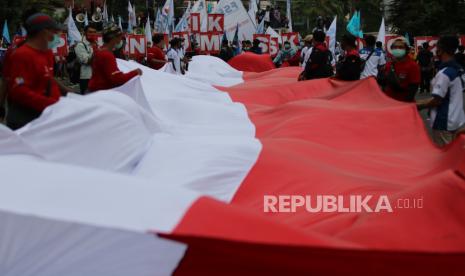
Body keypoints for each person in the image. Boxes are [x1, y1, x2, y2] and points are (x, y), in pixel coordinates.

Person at [6, 13, 68, 130]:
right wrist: (52, 105)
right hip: (26, 120)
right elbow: (19, 92)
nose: (57, 36)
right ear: (44, 32)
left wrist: (68, 95)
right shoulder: (22, 55)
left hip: (45, 116)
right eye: (54, 32)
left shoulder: (47, 53)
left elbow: (48, 80)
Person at [417, 36, 465, 147]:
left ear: (441, 49)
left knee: (446, 159)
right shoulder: (459, 69)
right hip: (457, 120)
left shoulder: (444, 73)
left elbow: (437, 100)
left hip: (444, 123)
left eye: (437, 47)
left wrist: (418, 105)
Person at [88, 25, 141, 92]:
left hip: (96, 90)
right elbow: (117, 79)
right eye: (120, 36)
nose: (121, 38)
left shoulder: (99, 50)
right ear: (114, 38)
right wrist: (135, 72)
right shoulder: (107, 55)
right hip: (101, 93)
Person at [382, 38, 420, 102]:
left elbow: (413, 88)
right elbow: (384, 84)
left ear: (406, 50)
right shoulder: (388, 65)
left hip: (404, 104)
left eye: (400, 47)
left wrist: (404, 105)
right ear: (391, 49)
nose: (397, 49)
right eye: (395, 47)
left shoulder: (413, 66)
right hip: (389, 103)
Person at [75, 25, 97, 94]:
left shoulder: (97, 43)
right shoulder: (80, 45)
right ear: (85, 33)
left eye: (94, 32)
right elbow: (86, 61)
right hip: (87, 77)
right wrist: (95, 51)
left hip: (97, 77)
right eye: (90, 32)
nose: (92, 34)